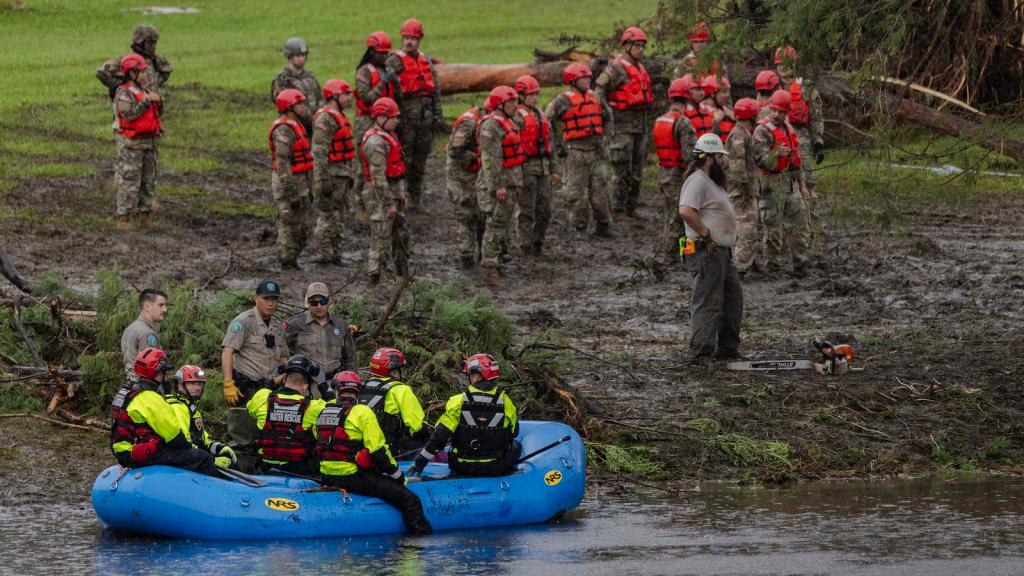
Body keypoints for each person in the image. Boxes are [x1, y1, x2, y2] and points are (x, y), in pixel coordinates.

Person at [314, 371, 432, 535]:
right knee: (411, 500)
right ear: (358, 392)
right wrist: (398, 477)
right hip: (353, 477)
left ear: (336, 390)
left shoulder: (322, 410)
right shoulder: (362, 412)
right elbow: (378, 451)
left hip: (326, 475)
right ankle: (418, 547)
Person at [678, 134, 743, 362]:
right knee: (708, 300)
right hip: (707, 249)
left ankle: (727, 347)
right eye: (719, 157)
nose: (723, 161)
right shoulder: (697, 180)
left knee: (732, 298)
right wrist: (705, 233)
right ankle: (701, 352)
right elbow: (686, 211)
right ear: (708, 158)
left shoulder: (712, 181)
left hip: (722, 252)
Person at [110, 347, 220, 476]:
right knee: (201, 457)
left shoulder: (128, 391)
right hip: (136, 454)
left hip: (123, 451)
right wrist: (193, 451)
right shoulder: (150, 397)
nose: (164, 375)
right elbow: (174, 436)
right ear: (155, 372)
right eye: (163, 371)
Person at [408, 353, 520, 478]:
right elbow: (514, 432)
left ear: (477, 375)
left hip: (463, 467)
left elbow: (439, 437)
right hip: (494, 466)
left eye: (470, 374)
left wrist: (419, 464)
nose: (469, 378)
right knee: (516, 445)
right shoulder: (506, 402)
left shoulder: (458, 401)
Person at [221, 280, 290, 473]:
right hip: (245, 387)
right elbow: (228, 352)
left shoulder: (278, 327)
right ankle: (238, 480)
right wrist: (228, 383)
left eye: (274, 299)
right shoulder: (243, 321)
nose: (271, 303)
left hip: (270, 389)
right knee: (243, 440)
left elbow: (284, 356)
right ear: (256, 298)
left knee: (267, 440)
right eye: (266, 299)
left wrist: (285, 376)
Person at [544, 62, 613, 237]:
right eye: (583, 78)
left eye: (589, 77)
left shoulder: (596, 98)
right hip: (575, 151)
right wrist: (558, 145)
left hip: (596, 151)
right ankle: (579, 227)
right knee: (576, 192)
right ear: (573, 81)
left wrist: (605, 138)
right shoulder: (562, 100)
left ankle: (603, 225)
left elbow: (607, 117)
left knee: (601, 190)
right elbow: (547, 121)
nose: (588, 81)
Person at [385, 19, 444, 208]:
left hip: (425, 117)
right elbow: (387, 90)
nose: (409, 42)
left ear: (419, 40)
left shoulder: (425, 60)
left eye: (413, 38)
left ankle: (415, 197)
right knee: (404, 157)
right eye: (406, 38)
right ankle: (400, 197)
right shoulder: (393, 62)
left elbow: (435, 90)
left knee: (421, 157)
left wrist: (437, 115)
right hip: (404, 118)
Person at [595, 26, 654, 217]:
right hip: (621, 126)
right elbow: (599, 91)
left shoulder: (640, 67)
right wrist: (606, 115)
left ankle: (631, 207)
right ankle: (617, 208)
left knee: (638, 170)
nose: (641, 49)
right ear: (627, 45)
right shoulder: (616, 68)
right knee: (622, 170)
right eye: (637, 45)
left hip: (640, 125)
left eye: (643, 46)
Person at [753, 90, 810, 277]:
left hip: (790, 182)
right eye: (774, 110)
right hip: (771, 183)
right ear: (769, 108)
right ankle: (773, 267)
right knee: (773, 229)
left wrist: (802, 185)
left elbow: (796, 160)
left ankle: (800, 264)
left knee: (800, 223)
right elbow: (760, 159)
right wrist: (777, 153)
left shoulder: (788, 129)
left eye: (781, 112)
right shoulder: (761, 130)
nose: (776, 115)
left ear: (786, 112)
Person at [477, 86, 526, 278]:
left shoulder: (508, 122)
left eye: (515, 101)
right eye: (511, 102)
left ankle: (497, 260)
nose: (515, 106)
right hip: (498, 184)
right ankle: (489, 264)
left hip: (510, 181)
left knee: (504, 224)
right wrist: (497, 186)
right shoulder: (490, 126)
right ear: (500, 104)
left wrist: (516, 184)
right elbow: (491, 160)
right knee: (495, 223)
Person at [247, 354, 326, 475]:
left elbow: (251, 406)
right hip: (298, 470)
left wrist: (273, 379)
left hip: (265, 468)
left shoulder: (263, 398)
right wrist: (323, 386)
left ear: (283, 380)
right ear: (305, 387)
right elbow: (335, 412)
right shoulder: (314, 407)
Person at [359, 97, 410, 284]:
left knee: (401, 234)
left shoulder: (389, 137)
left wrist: (401, 196)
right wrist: (388, 203)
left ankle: (401, 273)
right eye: (392, 117)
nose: (396, 121)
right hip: (380, 195)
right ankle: (377, 278)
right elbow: (378, 177)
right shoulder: (375, 142)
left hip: (394, 190)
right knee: (381, 237)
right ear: (380, 118)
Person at [775, 45, 825, 229]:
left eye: (786, 64)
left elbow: (816, 114)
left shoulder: (806, 86)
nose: (783, 68)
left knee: (808, 184)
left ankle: (815, 229)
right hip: (778, 140)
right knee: (781, 185)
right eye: (779, 65)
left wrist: (818, 140)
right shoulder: (772, 86)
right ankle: (788, 230)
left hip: (801, 139)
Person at [112, 53, 162, 230]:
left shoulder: (146, 91)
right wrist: (146, 103)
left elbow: (156, 114)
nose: (145, 75)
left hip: (149, 143)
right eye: (141, 72)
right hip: (132, 146)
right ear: (131, 73)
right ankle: (123, 218)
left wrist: (158, 101)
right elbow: (129, 114)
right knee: (130, 181)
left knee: (148, 181)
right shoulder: (124, 94)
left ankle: (145, 215)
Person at [310, 79, 357, 265]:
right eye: (346, 95)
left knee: (340, 215)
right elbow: (319, 151)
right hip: (331, 174)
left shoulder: (338, 116)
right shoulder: (326, 119)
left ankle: (335, 253)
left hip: (342, 174)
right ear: (334, 96)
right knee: (328, 215)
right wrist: (322, 179)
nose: (349, 99)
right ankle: (324, 253)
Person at [283, 281, 357, 396]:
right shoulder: (294, 324)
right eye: (314, 302)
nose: (319, 306)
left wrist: (351, 383)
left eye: (323, 301)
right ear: (307, 302)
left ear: (330, 300)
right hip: (306, 386)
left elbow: (350, 358)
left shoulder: (341, 325)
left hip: (334, 385)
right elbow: (280, 352)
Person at [652, 78, 697, 266]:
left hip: (664, 174)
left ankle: (677, 256)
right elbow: (689, 155)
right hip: (679, 176)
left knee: (671, 216)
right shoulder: (683, 123)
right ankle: (679, 257)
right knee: (681, 219)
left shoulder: (661, 120)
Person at [96, 25, 172, 135]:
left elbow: (167, 70)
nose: (154, 46)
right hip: (129, 114)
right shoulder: (127, 60)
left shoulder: (154, 59)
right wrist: (123, 85)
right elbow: (101, 72)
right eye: (150, 42)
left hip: (147, 118)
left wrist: (152, 84)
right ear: (140, 43)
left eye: (155, 42)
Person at [269, 88, 314, 269]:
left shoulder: (297, 125)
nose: (303, 107)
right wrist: (290, 192)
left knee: (301, 222)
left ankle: (293, 257)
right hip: (289, 183)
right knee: (288, 221)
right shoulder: (283, 131)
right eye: (299, 104)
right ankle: (286, 260)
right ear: (289, 107)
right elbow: (282, 164)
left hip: (301, 180)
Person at [354, 32, 397, 220]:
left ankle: (382, 200)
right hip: (366, 121)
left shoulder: (387, 69)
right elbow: (367, 98)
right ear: (372, 52)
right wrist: (383, 82)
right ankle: (360, 204)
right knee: (363, 165)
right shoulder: (364, 71)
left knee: (384, 162)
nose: (384, 56)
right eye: (381, 53)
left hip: (385, 122)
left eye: (386, 53)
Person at [513, 75, 557, 257]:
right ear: (521, 95)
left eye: (537, 94)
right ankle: (525, 246)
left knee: (545, 209)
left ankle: (538, 242)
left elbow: (550, 143)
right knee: (526, 210)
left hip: (543, 168)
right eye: (531, 95)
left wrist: (554, 169)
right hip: (525, 169)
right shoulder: (515, 117)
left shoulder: (540, 115)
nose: (535, 98)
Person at [358, 347, 428, 455]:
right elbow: (417, 427)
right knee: (426, 441)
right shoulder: (401, 390)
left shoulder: (361, 387)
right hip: (388, 450)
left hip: (360, 448)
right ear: (394, 371)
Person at [165, 364, 237, 469]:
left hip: (194, 457)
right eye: (193, 383)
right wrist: (212, 460)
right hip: (184, 461)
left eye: (200, 384)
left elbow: (201, 438)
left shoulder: (190, 407)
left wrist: (219, 448)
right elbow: (183, 444)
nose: (198, 388)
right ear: (180, 385)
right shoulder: (178, 408)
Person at [445, 100, 487, 269]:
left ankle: (484, 253)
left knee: (483, 212)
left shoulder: (489, 122)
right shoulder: (469, 124)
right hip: (460, 174)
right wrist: (479, 157)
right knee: (466, 214)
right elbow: (455, 152)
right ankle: (466, 257)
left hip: (476, 173)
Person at [725, 98, 763, 276]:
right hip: (741, 193)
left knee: (747, 228)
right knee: (746, 230)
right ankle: (738, 268)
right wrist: (748, 189)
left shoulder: (742, 133)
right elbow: (737, 166)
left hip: (743, 191)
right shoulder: (739, 135)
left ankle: (746, 264)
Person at [271, 37, 322, 132]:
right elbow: (286, 105)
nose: (301, 58)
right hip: (295, 127)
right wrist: (310, 117)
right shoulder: (282, 79)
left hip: (315, 125)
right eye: (298, 55)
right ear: (289, 56)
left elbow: (320, 98)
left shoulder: (310, 77)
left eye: (303, 55)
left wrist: (320, 117)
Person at [120, 288, 167, 377]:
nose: (165, 310)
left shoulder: (131, 328)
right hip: (146, 385)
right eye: (161, 305)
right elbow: (151, 366)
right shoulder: (147, 333)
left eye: (165, 305)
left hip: (134, 384)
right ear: (147, 306)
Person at [701, 75, 735, 139]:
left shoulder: (728, 111)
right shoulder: (701, 112)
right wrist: (715, 121)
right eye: (724, 92)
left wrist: (737, 121)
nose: (727, 95)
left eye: (728, 92)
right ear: (712, 94)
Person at [681, 74, 714, 139]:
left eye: (702, 89)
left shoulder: (707, 110)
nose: (702, 93)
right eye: (698, 89)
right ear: (687, 90)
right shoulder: (682, 112)